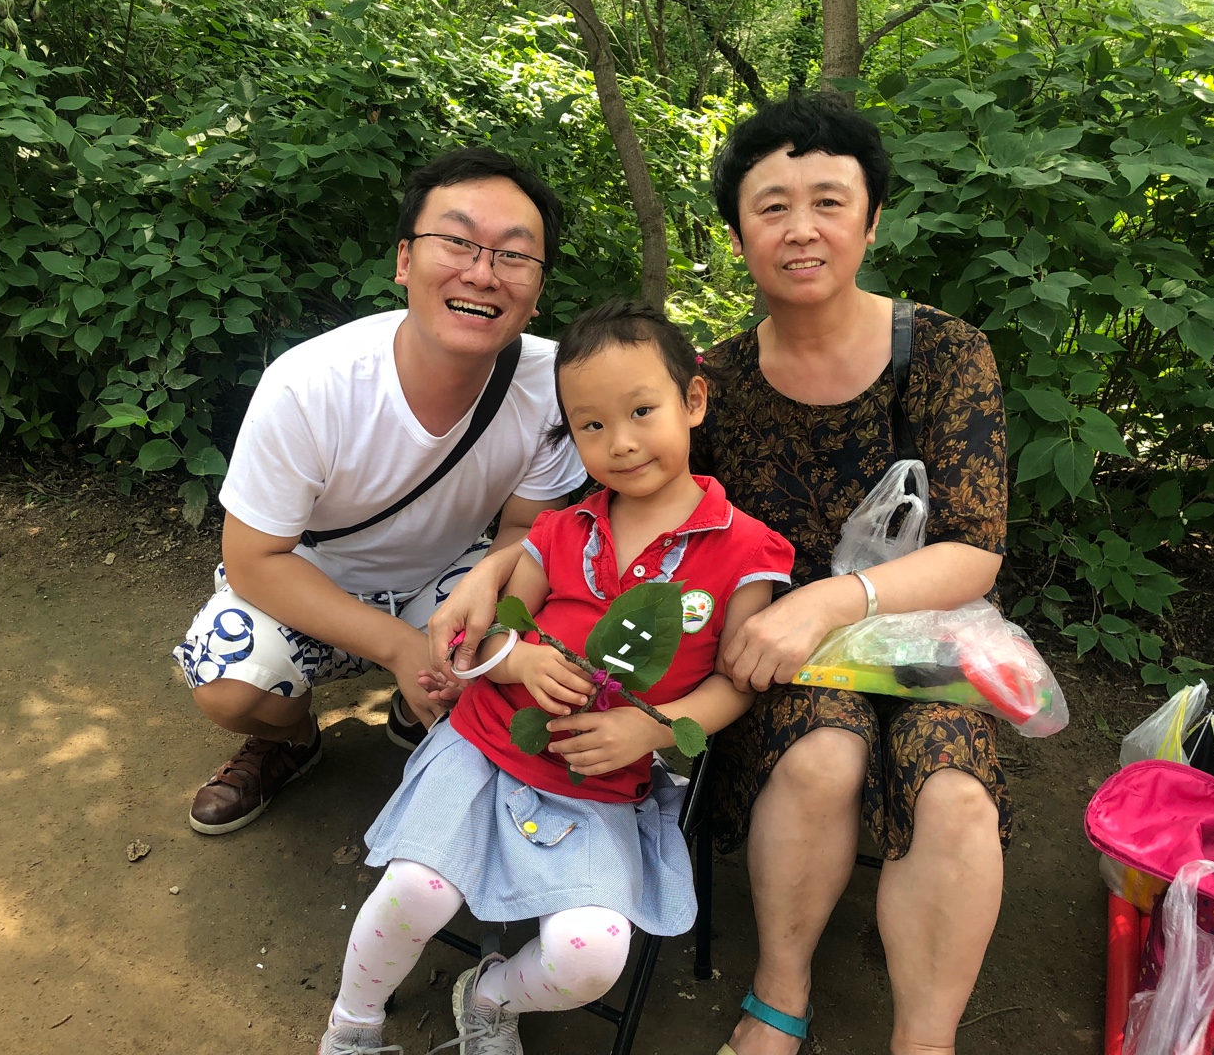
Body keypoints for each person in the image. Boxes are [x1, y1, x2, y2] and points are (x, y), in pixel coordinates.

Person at [428, 94, 1010, 1055]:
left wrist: (826, 602)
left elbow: (976, 544)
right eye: (772, 207)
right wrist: (496, 570)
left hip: (914, 630)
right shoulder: (713, 380)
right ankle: (781, 996)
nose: (801, 228)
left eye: (829, 202)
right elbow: (604, 501)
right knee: (824, 755)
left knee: (953, 788)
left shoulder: (945, 355)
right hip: (755, 652)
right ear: (739, 235)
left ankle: (926, 1039)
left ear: (872, 219)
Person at [316, 299, 795, 1055]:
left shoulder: (746, 551)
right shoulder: (562, 529)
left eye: (642, 411)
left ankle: (489, 996)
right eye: (591, 425)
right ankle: (352, 1024)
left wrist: (651, 729)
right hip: (485, 745)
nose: (620, 442)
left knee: (591, 957)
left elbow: (736, 682)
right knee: (415, 890)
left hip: (596, 783)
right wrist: (520, 660)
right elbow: (489, 633)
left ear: (693, 401)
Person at [172, 147, 587, 836]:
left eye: (514, 255)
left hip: (447, 579)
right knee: (228, 684)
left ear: (538, 287)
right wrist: (398, 647)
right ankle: (288, 739)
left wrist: (474, 627)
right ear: (404, 260)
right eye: (456, 242)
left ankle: (422, 701)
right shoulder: (310, 385)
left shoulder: (551, 385)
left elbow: (525, 533)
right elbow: (252, 560)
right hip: (311, 580)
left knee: (538, 631)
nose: (482, 273)